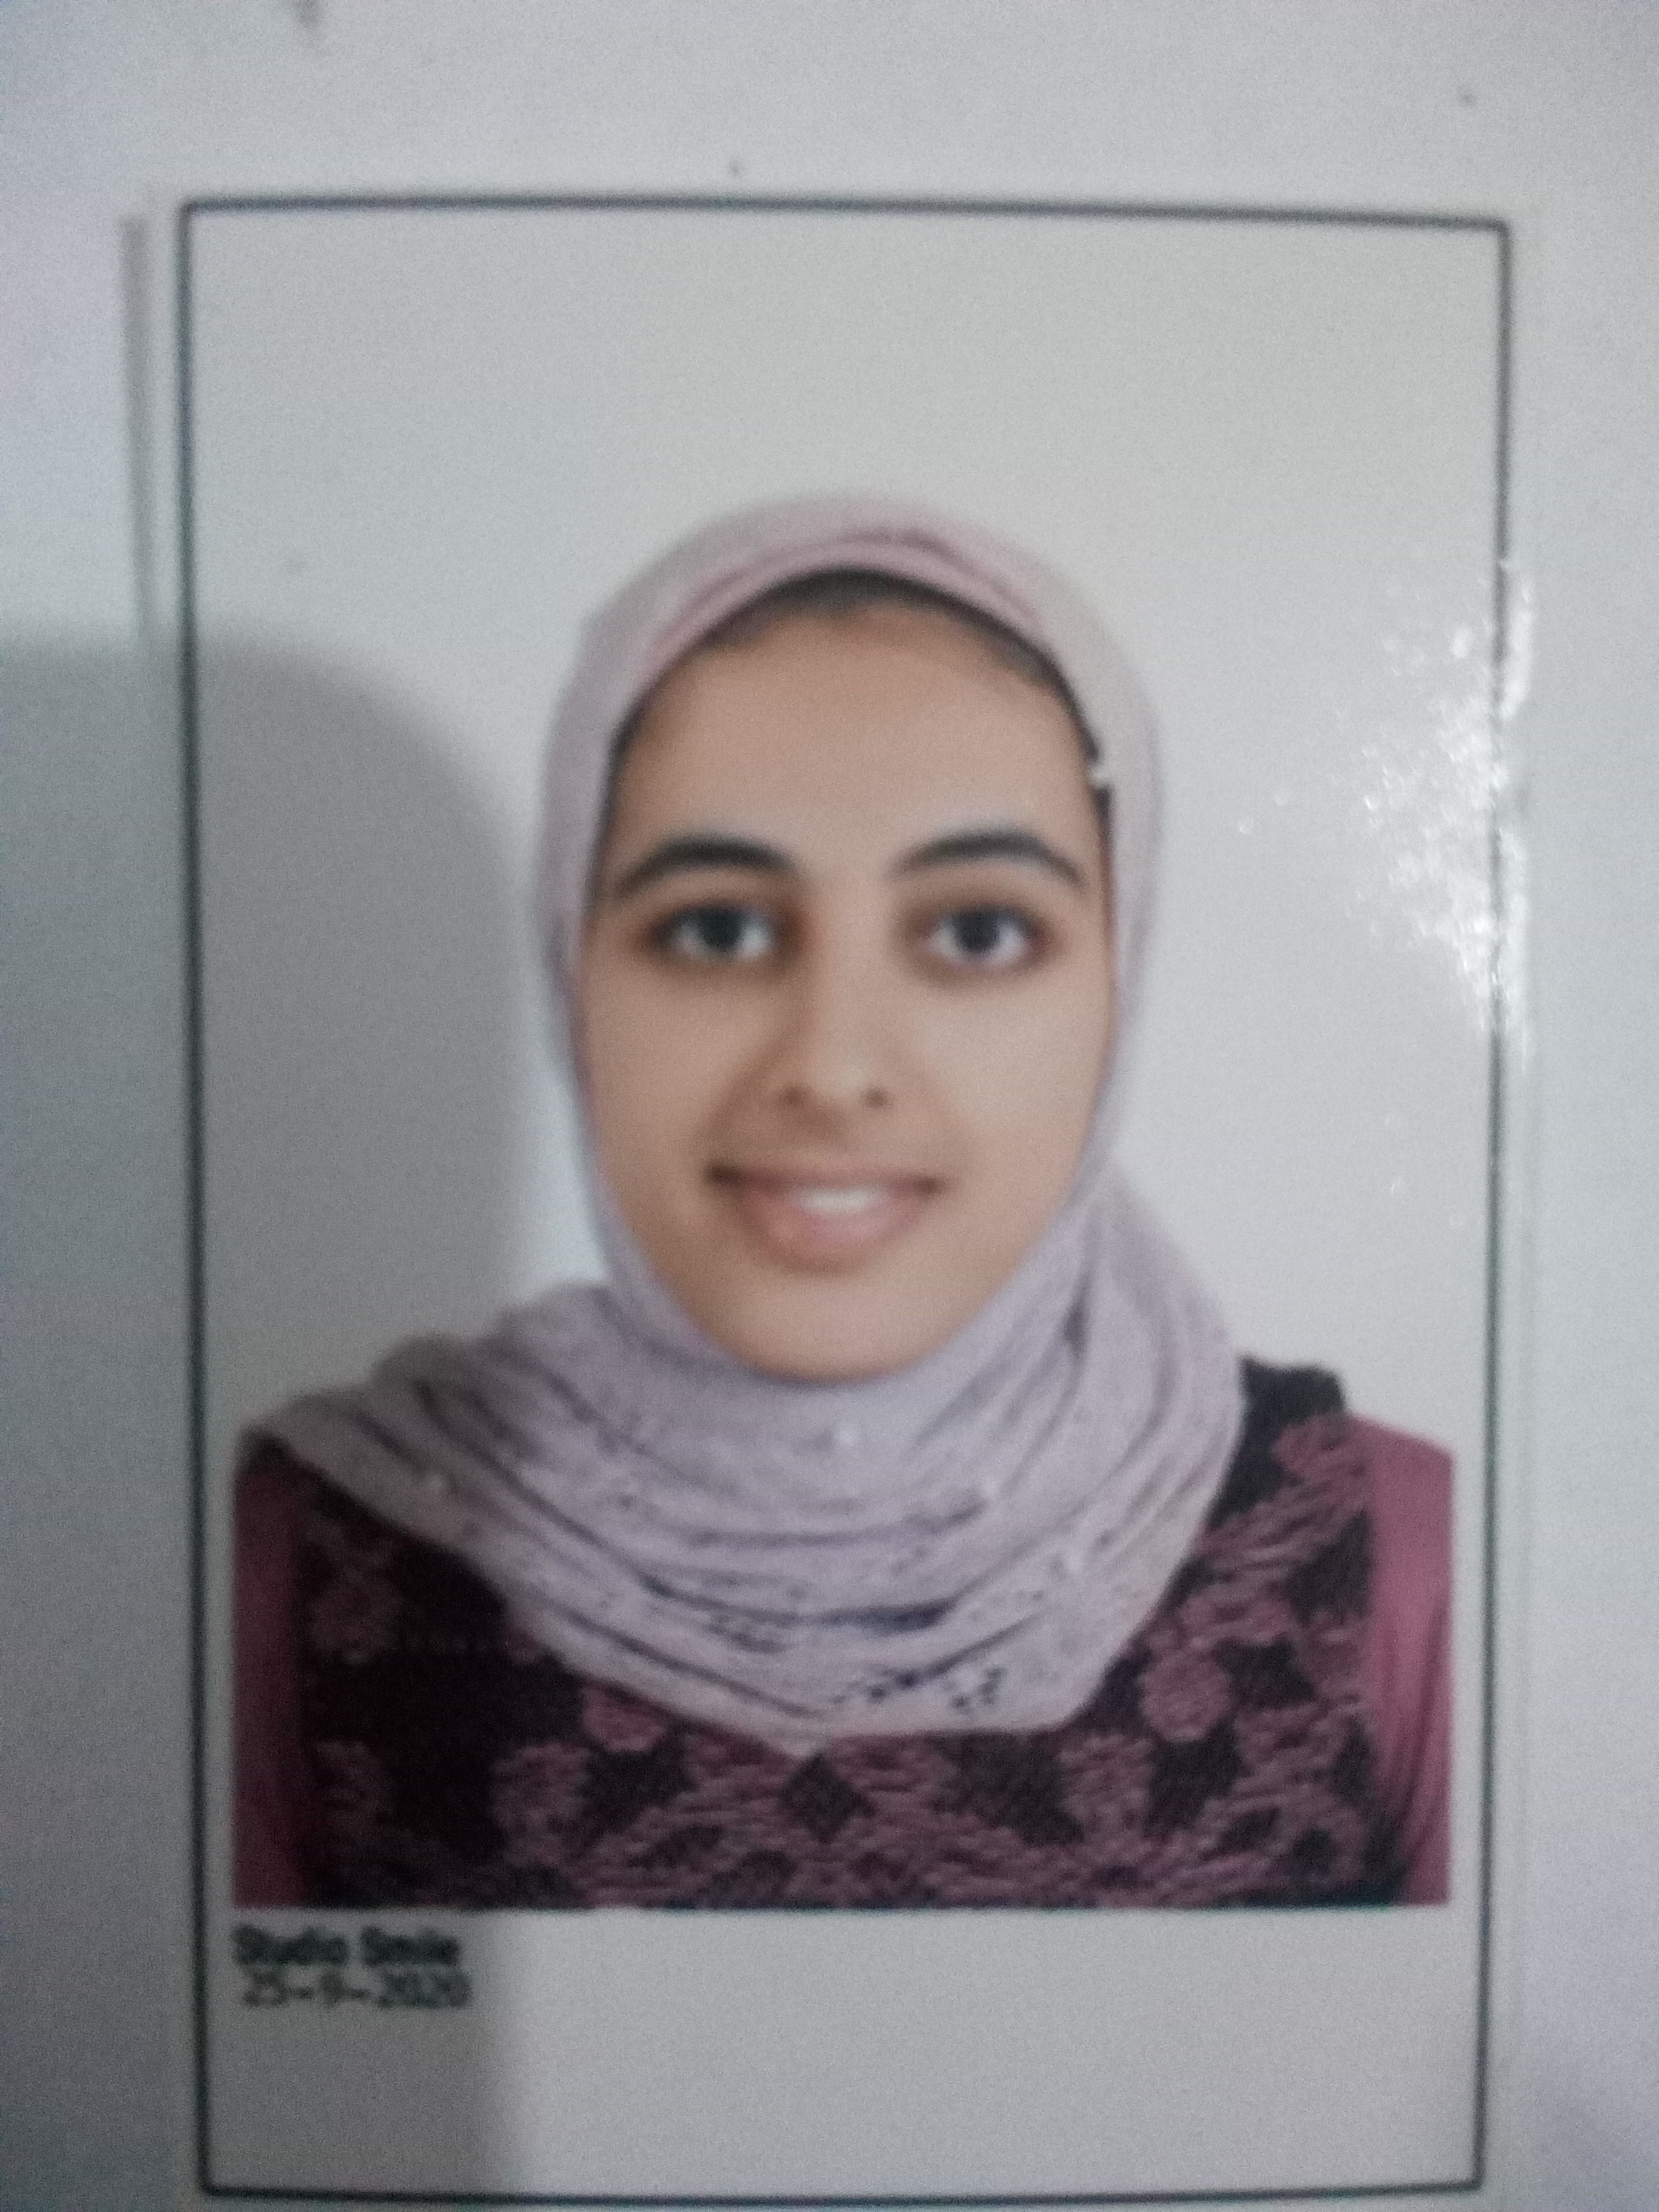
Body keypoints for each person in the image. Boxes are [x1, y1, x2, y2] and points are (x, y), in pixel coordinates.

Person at [234, 497, 1451, 1910]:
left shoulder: (1399, 1560)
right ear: (573, 966)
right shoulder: (298, 1563)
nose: (830, 1066)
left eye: (978, 931)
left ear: (1117, 987)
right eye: (717, 927)